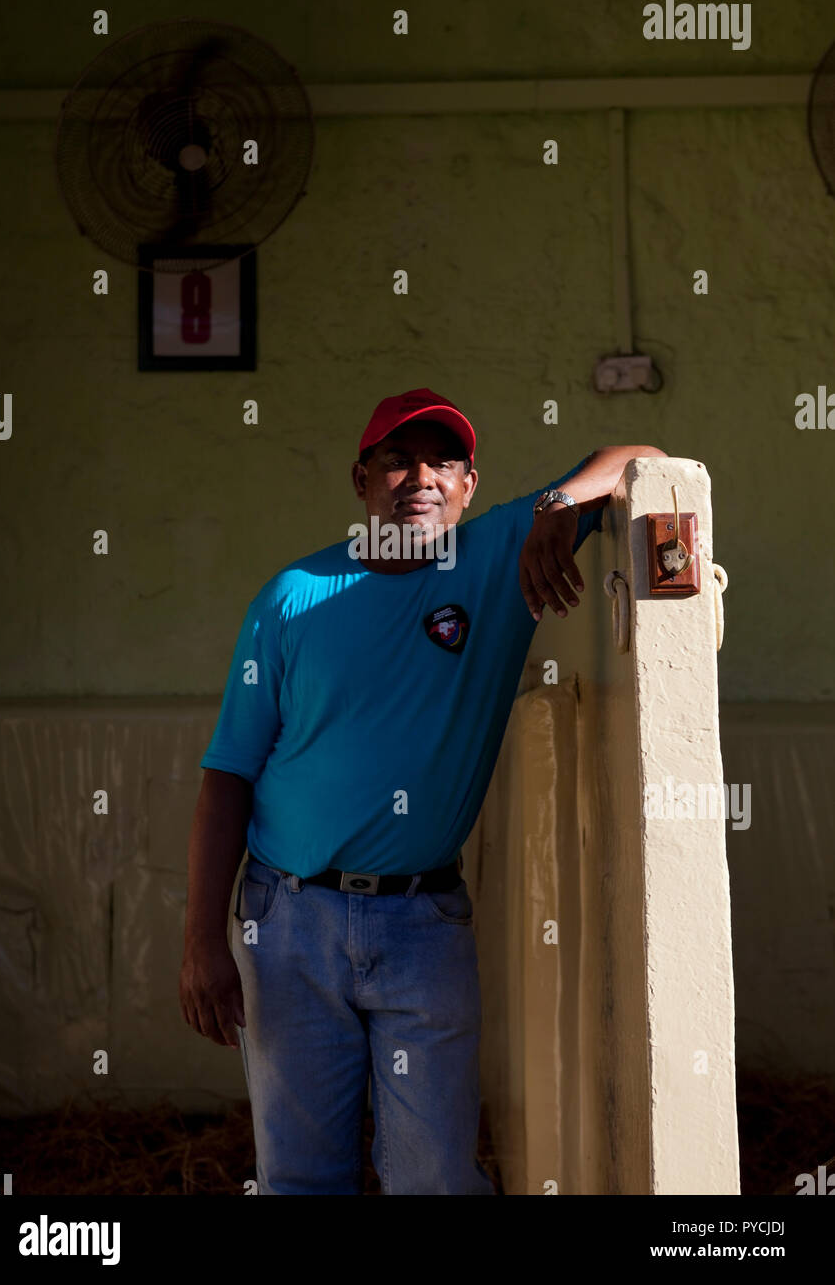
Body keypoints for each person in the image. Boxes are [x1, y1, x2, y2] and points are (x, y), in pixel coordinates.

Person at [178, 386, 665, 1194]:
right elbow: (228, 775)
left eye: (444, 460)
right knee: (299, 1176)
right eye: (397, 460)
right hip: (288, 919)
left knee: (434, 1176)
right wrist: (202, 941)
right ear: (361, 480)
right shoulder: (291, 597)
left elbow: (641, 458)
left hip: (423, 925)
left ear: (470, 486)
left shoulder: (496, 558)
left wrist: (559, 502)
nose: (421, 477)